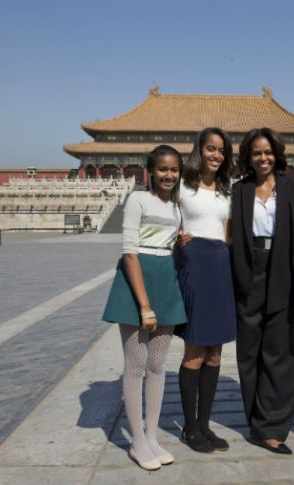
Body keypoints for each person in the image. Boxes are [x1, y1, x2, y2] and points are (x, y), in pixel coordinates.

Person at [101, 145, 187, 471]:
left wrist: (181, 242)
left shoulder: (176, 206)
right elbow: (130, 253)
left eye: (174, 170)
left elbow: (166, 244)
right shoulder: (137, 199)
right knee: (135, 364)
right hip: (136, 284)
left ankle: (152, 436)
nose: (168, 175)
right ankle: (136, 440)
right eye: (162, 169)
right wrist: (145, 305)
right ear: (149, 171)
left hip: (166, 280)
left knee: (157, 365)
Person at [230, 128, 294, 455]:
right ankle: (255, 421)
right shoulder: (238, 190)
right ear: (248, 156)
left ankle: (274, 426)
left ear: (277, 154)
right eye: (256, 152)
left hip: (282, 268)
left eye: (268, 152)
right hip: (248, 267)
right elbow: (224, 231)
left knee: (279, 351)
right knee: (249, 351)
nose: (263, 158)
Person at [174, 127, 237, 453]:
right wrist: (176, 239)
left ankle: (205, 424)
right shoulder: (182, 187)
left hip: (220, 265)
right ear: (199, 149)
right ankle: (189, 426)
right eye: (210, 148)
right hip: (194, 264)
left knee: (215, 353)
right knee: (195, 351)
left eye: (221, 150)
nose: (216, 155)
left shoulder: (227, 190)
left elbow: (228, 235)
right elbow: (164, 223)